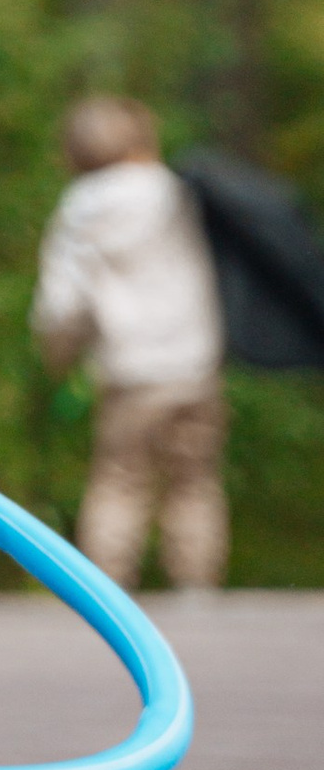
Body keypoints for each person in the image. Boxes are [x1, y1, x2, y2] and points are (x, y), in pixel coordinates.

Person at [33, 95, 228, 596]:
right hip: (194, 361)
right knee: (195, 481)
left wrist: (58, 352)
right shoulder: (177, 192)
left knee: (121, 480)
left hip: (129, 368)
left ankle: (108, 590)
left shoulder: (80, 209)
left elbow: (61, 302)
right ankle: (197, 589)